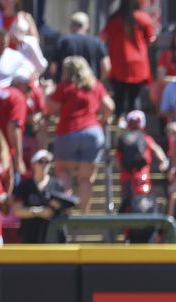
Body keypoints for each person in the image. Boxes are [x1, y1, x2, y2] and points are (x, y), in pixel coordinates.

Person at [47, 56, 115, 214]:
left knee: (64, 174)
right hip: (92, 132)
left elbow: (50, 107)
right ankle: (84, 215)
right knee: (85, 178)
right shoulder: (95, 85)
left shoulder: (64, 87)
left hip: (67, 132)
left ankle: (65, 214)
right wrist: (102, 120)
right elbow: (109, 107)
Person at [100, 0, 155, 124]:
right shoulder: (143, 17)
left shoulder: (114, 18)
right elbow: (150, 39)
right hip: (138, 66)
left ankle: (119, 127)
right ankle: (135, 128)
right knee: (134, 99)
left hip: (118, 64)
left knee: (119, 99)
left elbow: (104, 37)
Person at [117, 111, 170, 215]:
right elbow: (156, 149)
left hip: (126, 177)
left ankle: (128, 227)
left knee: (127, 203)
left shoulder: (122, 138)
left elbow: (118, 159)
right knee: (143, 204)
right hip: (142, 176)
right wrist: (163, 161)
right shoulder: (145, 137)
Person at [13, 150, 71, 243]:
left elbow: (67, 210)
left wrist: (60, 205)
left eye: (47, 162)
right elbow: (17, 210)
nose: (44, 165)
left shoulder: (58, 185)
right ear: (33, 164)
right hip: (30, 235)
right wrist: (38, 211)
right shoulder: (24, 186)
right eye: (40, 162)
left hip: (53, 236)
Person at [51, 11, 110, 80]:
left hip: (67, 87)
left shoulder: (63, 41)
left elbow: (53, 68)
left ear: (71, 26)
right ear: (87, 27)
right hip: (90, 86)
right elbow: (106, 66)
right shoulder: (97, 42)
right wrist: (98, 82)